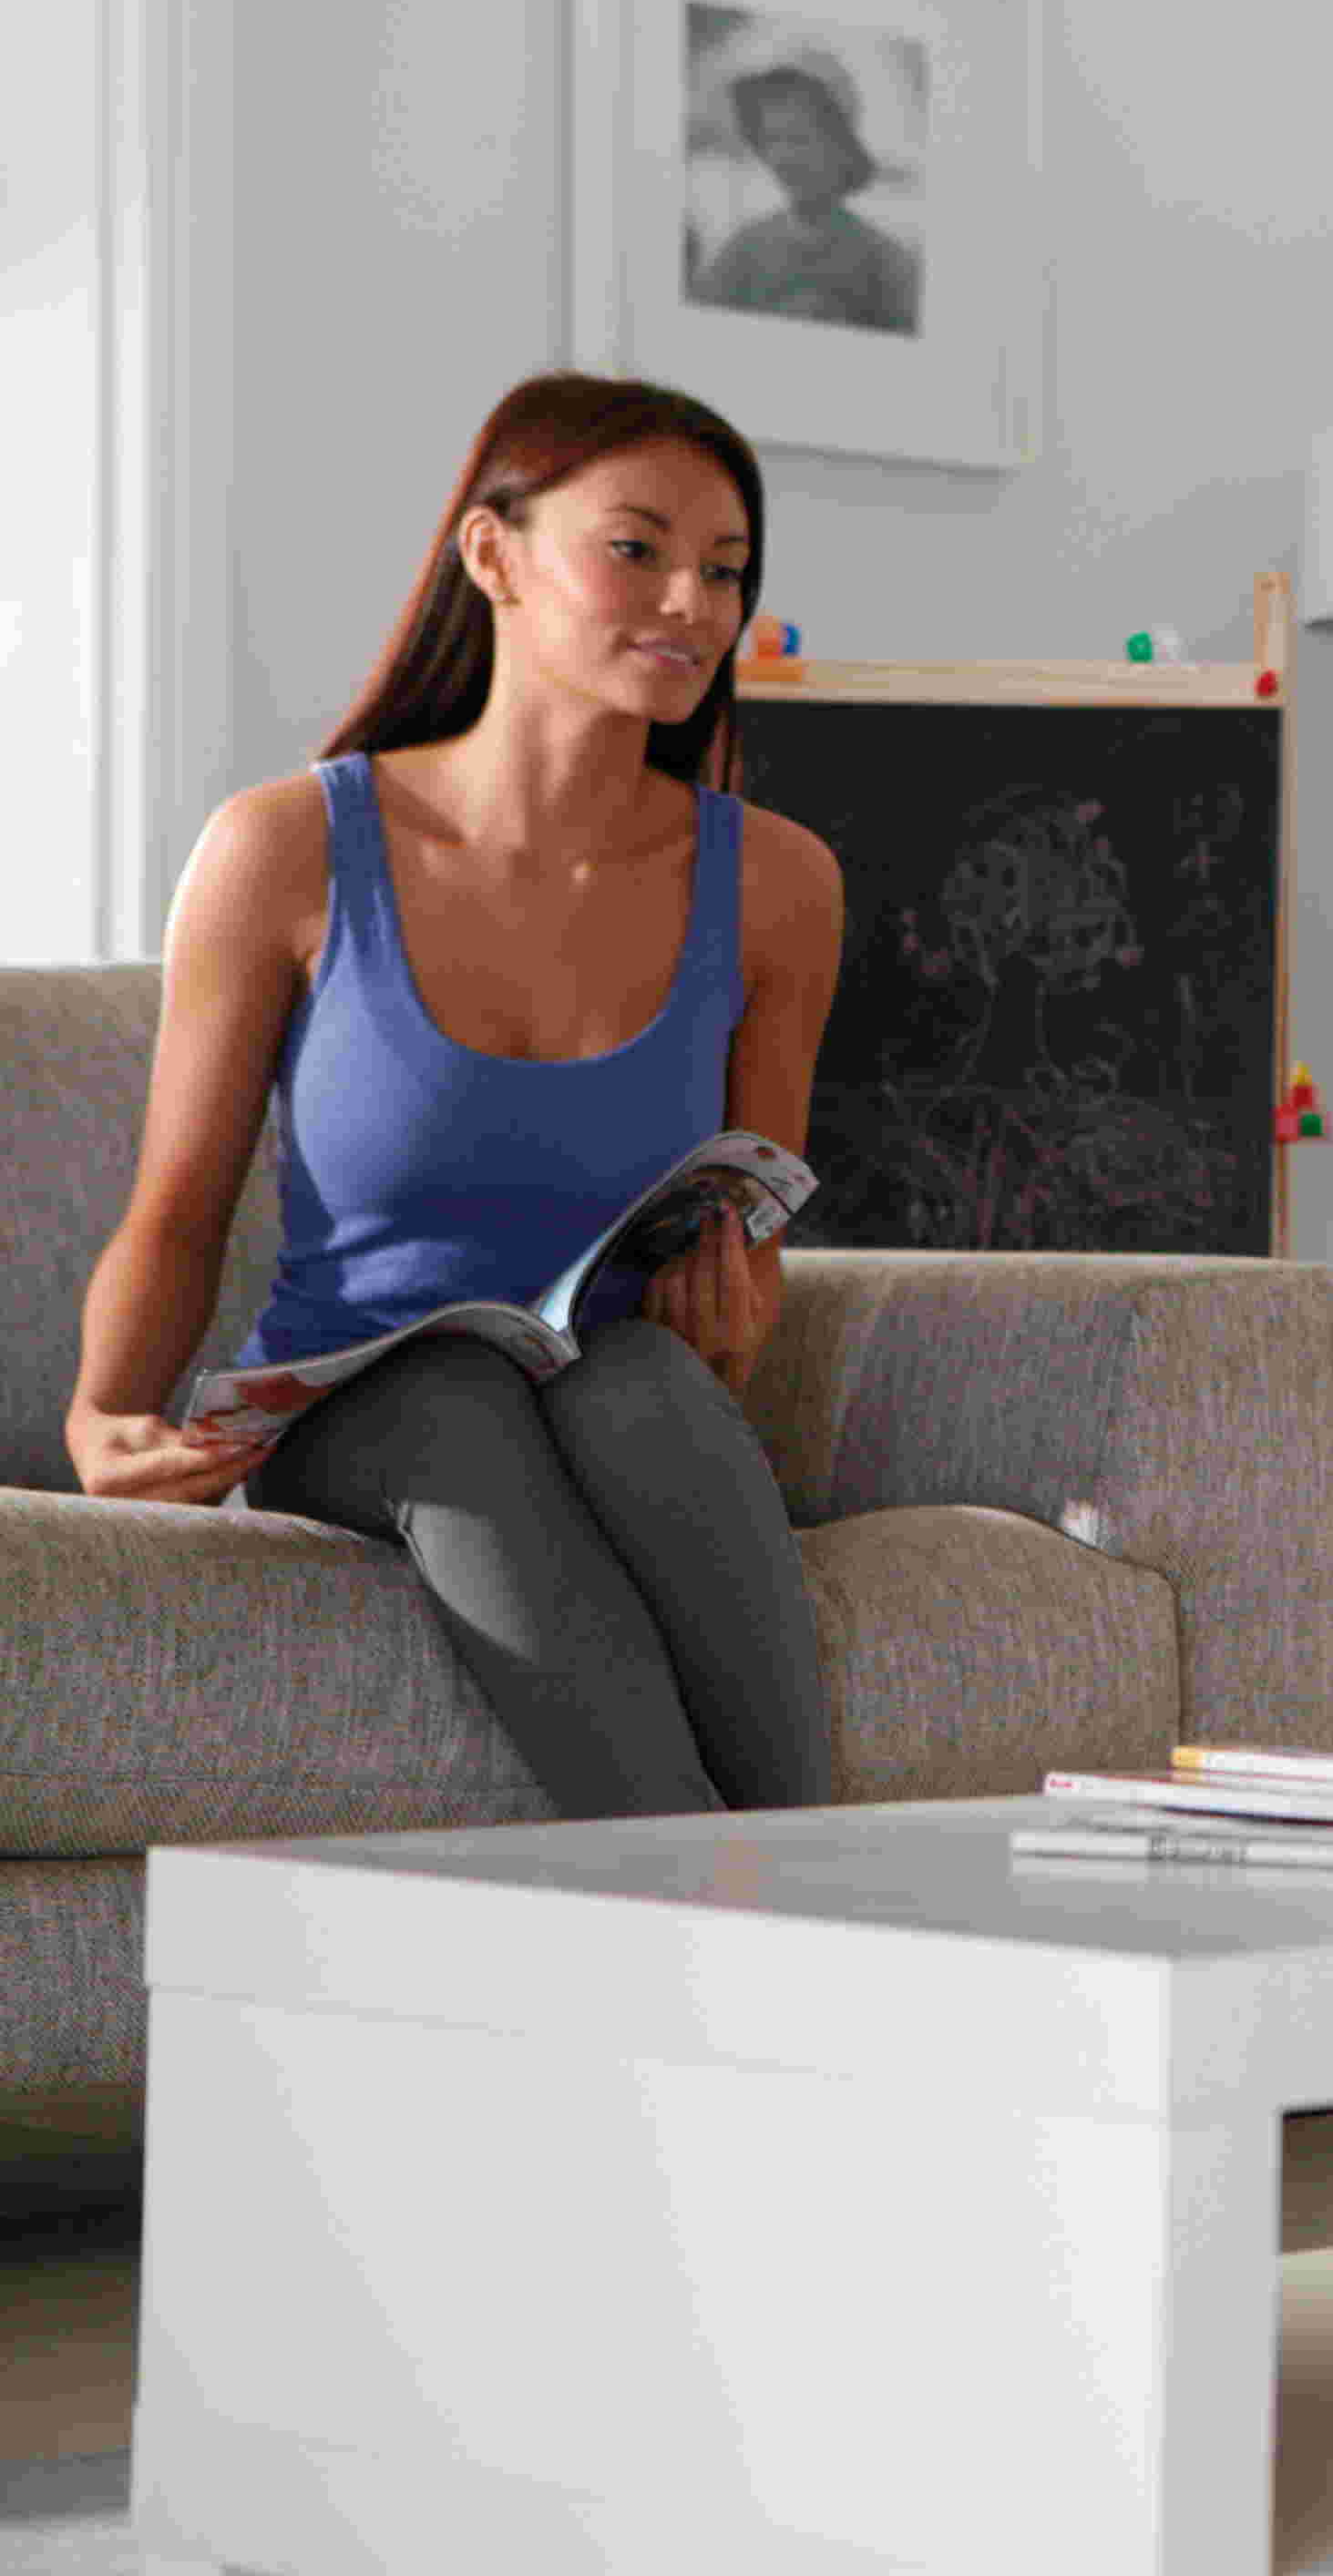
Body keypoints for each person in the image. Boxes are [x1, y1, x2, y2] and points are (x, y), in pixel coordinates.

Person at [64, 372, 851, 1820]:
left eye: (726, 570)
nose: (691, 602)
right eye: (637, 549)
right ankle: (726, 1899)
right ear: (493, 554)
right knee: (453, 1406)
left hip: (608, 1382)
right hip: (356, 1408)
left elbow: (751, 1218)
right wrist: (105, 1412)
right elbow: (177, 1210)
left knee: (648, 1392)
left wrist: (740, 1308)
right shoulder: (285, 849)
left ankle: (786, 1886)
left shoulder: (779, 886)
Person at [691, 44, 923, 337]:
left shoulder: (886, 262)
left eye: (799, 139)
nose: (783, 157)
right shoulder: (742, 252)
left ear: (840, 146)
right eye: (772, 139)